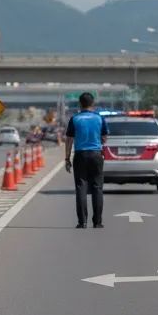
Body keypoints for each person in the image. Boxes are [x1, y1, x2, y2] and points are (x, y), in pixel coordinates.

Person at [64, 92, 107, 229]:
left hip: (80, 155)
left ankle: (82, 222)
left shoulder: (75, 119)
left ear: (80, 104)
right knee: (97, 188)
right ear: (92, 104)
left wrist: (67, 158)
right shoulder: (99, 118)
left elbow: (69, 140)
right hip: (96, 154)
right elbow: (104, 138)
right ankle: (98, 222)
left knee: (81, 188)